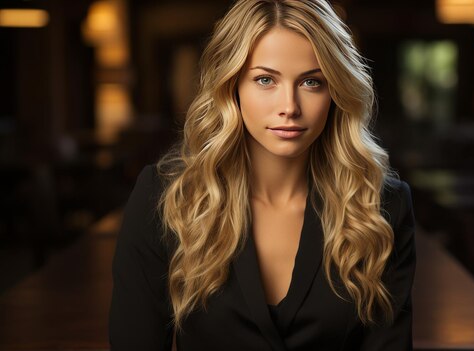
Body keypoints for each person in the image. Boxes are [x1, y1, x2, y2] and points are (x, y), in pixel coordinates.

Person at [109, 0, 416, 350]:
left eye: (312, 82)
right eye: (265, 79)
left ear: (336, 91)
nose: (289, 106)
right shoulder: (164, 198)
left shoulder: (382, 205)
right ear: (232, 85)